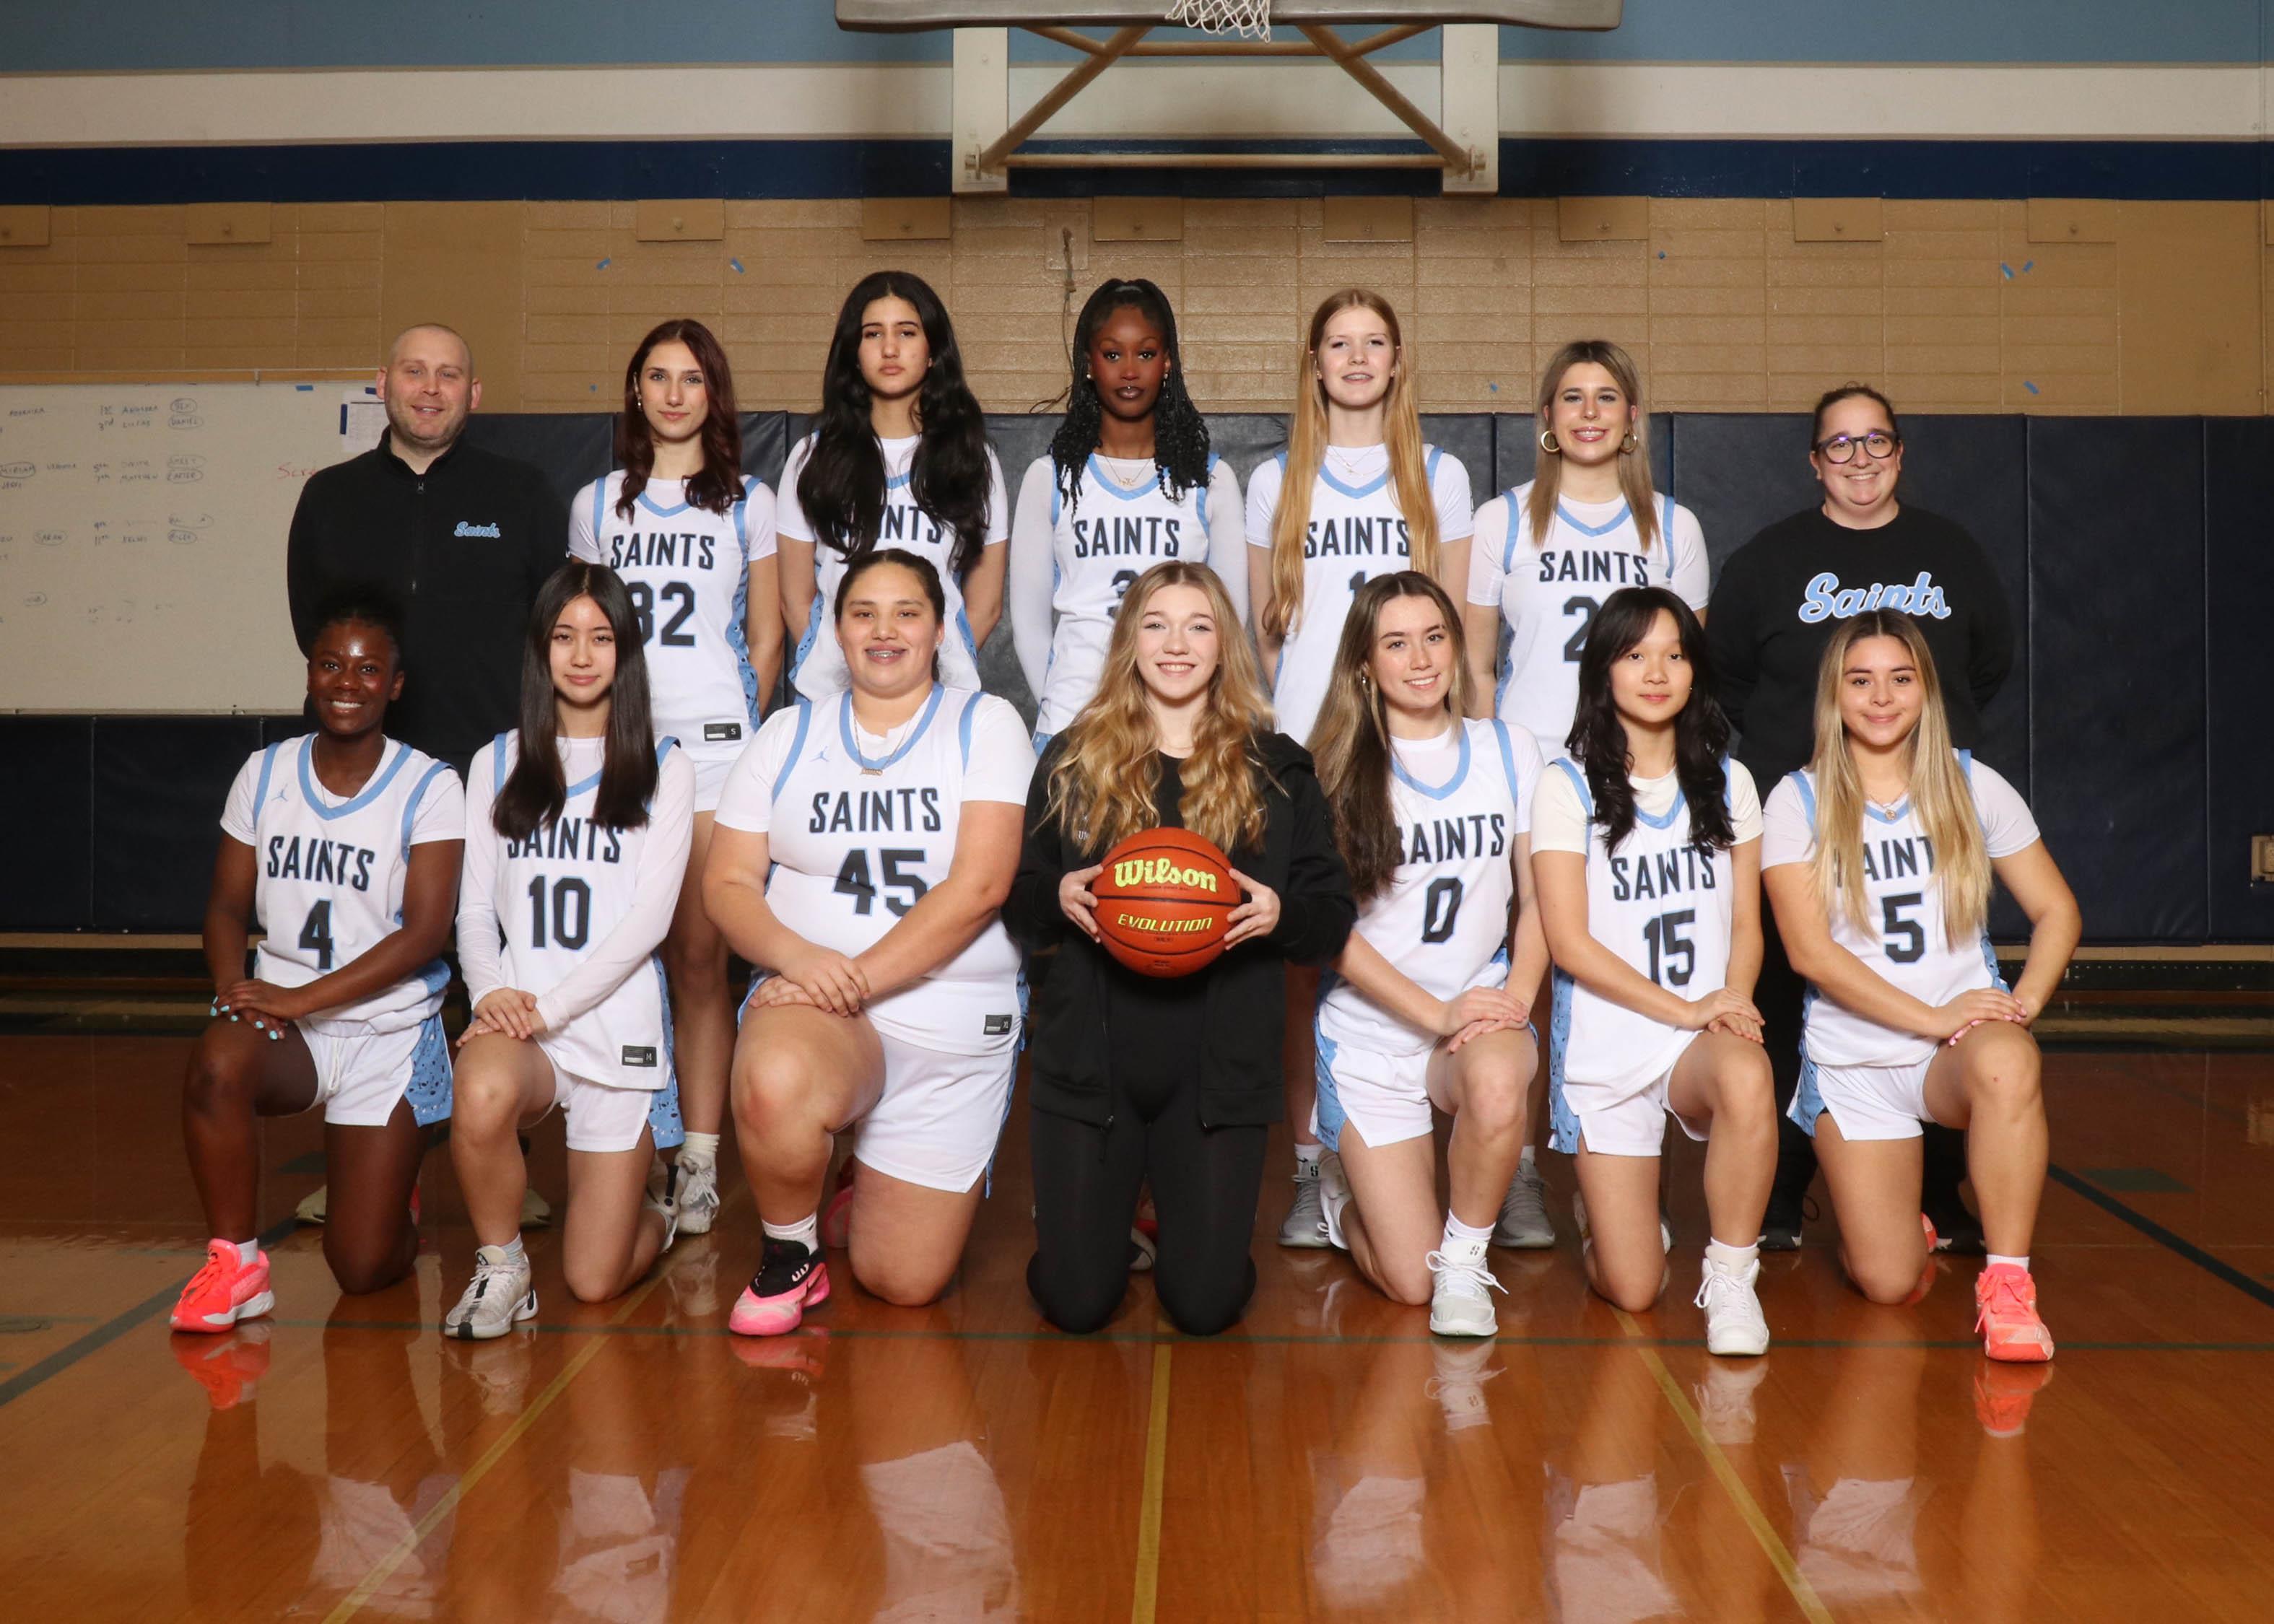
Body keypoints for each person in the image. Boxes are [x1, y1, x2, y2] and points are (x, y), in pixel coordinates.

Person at [1006, 561, 1356, 1337]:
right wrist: (1056, 897)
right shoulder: (1071, 759)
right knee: (1075, 1303)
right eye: (1156, 625)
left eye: (1198, 627)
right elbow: (1020, 906)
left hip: (1216, 1072)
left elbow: (1331, 922)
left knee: (1203, 1305)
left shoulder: (1279, 770)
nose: (1176, 644)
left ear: (1224, 644)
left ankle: (1179, 1221)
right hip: (1090, 1065)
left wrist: (1280, 915)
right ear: (1129, 643)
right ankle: (1097, 1227)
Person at [1707, 383, 2016, 1252]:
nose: (1860, 459)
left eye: (1876, 440)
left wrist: (1914, 757)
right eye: (1839, 444)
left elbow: (1988, 663)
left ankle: (1941, 1188)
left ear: (1900, 452)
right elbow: (1727, 675)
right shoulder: (1768, 561)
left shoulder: (1950, 553)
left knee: (1946, 993)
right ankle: (1782, 1186)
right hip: (1807, 821)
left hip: (1923, 817)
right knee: (1785, 998)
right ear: (1815, 462)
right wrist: (1803, 755)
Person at [705, 550, 1034, 1336]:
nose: (885, 631)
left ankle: (866, 1168)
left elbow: (982, 887)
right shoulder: (788, 734)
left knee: (902, 1282)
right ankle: (791, 1253)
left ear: (940, 630)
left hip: (951, 1018)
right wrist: (801, 961)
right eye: (863, 613)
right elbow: (727, 883)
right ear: (837, 629)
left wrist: (849, 975)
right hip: (817, 1009)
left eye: (906, 613)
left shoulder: (987, 725)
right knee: (774, 1076)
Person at [1761, 611, 2077, 1360]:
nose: (1881, 697)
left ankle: (2008, 1284)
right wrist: (1931, 1016)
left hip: (1953, 1054)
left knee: (2009, 1060)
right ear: (1834, 694)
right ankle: (1903, 1228)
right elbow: (1810, 954)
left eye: (1900, 679)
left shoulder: (1972, 783)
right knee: (1888, 1282)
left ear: (1926, 690)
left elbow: (2057, 911)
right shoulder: (1796, 800)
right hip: (1855, 1063)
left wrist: (2022, 1004)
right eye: (1861, 680)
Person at [1464, 339, 1709, 1252]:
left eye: (1608, 397)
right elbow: (1476, 665)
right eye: (1572, 397)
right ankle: (1523, 1169)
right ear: (1547, 420)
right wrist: (1493, 766)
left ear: (1633, 418)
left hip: (1635, 774)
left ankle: (1628, 1182)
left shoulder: (1672, 528)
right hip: (1534, 767)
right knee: (1528, 970)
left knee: (1645, 964)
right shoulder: (1502, 520)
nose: (1591, 413)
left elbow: (1685, 666)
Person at [1246, 287, 1475, 1251]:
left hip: (1409, 751)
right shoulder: (1275, 479)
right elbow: (1268, 637)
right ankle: (1312, 1164)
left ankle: (1482, 1166)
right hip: (1311, 752)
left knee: (1425, 946)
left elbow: (1448, 627)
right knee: (1307, 963)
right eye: (1338, 343)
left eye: (1373, 342)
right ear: (1315, 362)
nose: (1355, 357)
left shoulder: (1438, 473)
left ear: (1396, 360)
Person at [171, 598, 463, 1332]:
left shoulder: (430, 786)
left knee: (361, 1268)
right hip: (287, 1030)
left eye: (368, 669)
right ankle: (238, 1267)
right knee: (217, 1062)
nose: (347, 683)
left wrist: (299, 1000)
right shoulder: (265, 772)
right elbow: (225, 908)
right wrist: (233, 993)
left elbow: (424, 935)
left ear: (395, 684)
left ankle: (394, 1203)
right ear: (309, 674)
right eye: (332, 665)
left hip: (388, 1034)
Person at [569, 318, 782, 1238]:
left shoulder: (749, 502)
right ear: (636, 391)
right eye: (657, 376)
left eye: (691, 378)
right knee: (622, 957)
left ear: (713, 393)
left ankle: (697, 1154)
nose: (673, 394)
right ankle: (626, 1145)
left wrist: (735, 731)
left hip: (717, 754)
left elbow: (767, 636)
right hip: (622, 752)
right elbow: (580, 632)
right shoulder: (596, 504)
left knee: (699, 960)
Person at [445, 562, 694, 1338]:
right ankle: (503, 1268)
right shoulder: (497, 761)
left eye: (601, 637)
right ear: (540, 648)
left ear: (626, 651)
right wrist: (490, 994)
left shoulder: (665, 765)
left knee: (593, 1281)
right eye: (563, 636)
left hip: (612, 1027)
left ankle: (658, 1213)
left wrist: (545, 1008)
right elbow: (474, 907)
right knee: (479, 1086)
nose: (582, 656)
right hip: (522, 1024)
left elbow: (649, 922)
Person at [1532, 586, 1777, 1356]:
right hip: (1609, 1042)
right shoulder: (1565, 785)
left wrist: (1730, 1002)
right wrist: (1685, 1008)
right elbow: (1569, 944)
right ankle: (1603, 1218)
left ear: (1696, 670)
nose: (1657, 672)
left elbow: (1747, 923)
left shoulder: (1731, 781)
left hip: (1695, 1036)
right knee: (1634, 1288)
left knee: (1748, 1072)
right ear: (1604, 670)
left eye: (1674, 654)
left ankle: (1732, 1279)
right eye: (1636, 655)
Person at [1305, 572, 1548, 1336]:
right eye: (1397, 643)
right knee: (1409, 1283)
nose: (1420, 660)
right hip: (1372, 1033)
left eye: (1435, 638)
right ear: (1363, 664)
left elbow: (1541, 899)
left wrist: (1514, 1003)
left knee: (1501, 1078)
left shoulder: (1509, 749)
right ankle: (1342, 1199)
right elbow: (1330, 934)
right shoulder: (1331, 768)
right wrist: (1434, 1012)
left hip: (1472, 1016)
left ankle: (1466, 1262)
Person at [286, 323, 570, 776]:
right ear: (383, 383)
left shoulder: (525, 493)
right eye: (414, 371)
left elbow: (557, 624)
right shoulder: (329, 496)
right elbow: (312, 630)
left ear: (473, 394)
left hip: (490, 763)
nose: (431, 388)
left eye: (448, 375)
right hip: (356, 758)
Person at [1009, 276, 1246, 750]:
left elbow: (1229, 619)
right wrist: (1063, 714)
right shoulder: (1050, 478)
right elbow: (1030, 627)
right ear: (1089, 364)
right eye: (1113, 354)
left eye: (1147, 353)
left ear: (1167, 363)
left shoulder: (1211, 480)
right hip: (1076, 722)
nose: (1131, 370)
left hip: (1181, 732)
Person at [777, 271, 1009, 702]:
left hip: (939, 690)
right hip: (833, 691)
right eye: (873, 334)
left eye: (906, 332)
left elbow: (987, 601)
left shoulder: (973, 459)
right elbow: (795, 599)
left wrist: (929, 667)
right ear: (853, 352)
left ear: (933, 350)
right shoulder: (812, 456)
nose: (889, 348)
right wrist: (840, 665)